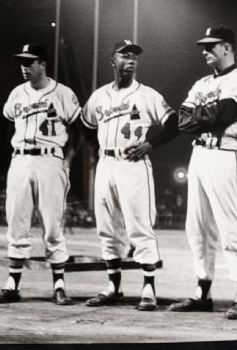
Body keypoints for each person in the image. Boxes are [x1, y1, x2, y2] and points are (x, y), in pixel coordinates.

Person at [80, 40, 179, 311]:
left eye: (135, 56)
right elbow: (86, 124)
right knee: (106, 226)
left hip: (133, 164)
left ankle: (148, 288)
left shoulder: (147, 95)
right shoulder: (99, 96)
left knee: (139, 225)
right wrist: (96, 149)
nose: (131, 60)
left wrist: (150, 144)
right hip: (106, 163)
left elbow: (174, 123)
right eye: (125, 55)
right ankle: (114, 287)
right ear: (113, 61)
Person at [170, 26, 237, 320]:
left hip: (227, 154)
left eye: (211, 45)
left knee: (231, 226)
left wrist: (203, 116)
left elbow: (227, 113)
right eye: (203, 46)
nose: (204, 50)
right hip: (201, 155)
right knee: (197, 227)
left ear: (227, 48)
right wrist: (208, 116)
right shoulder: (201, 83)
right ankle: (202, 292)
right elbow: (183, 120)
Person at [0, 43, 81, 306]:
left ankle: (60, 285)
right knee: (17, 223)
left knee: (53, 225)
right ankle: (12, 285)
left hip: (50, 160)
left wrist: (68, 160)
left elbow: (79, 128)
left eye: (29, 62)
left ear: (42, 64)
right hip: (20, 159)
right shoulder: (17, 93)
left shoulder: (63, 93)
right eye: (21, 62)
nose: (24, 67)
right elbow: (9, 121)